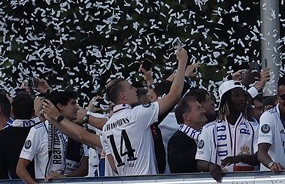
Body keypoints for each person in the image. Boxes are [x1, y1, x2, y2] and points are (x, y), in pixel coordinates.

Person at [49, 45, 189, 176]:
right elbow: (174, 96)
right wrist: (182, 62)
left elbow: (114, 167)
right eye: (130, 88)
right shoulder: (138, 114)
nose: (135, 90)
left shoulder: (107, 127)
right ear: (123, 96)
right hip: (146, 183)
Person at [196, 80, 258, 181]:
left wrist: (238, 158)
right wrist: (210, 166)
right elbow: (200, 162)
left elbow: (259, 157)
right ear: (226, 99)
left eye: (243, 95)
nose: (242, 98)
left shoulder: (255, 128)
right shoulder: (209, 129)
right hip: (218, 183)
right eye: (236, 95)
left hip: (248, 182)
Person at [167, 95, 207, 173]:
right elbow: (176, 165)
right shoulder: (176, 140)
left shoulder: (207, 134)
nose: (204, 111)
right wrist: (202, 147)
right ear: (186, 116)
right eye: (198, 108)